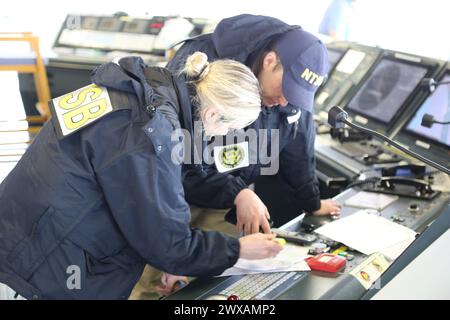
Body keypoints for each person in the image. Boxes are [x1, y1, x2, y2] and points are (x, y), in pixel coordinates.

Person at [0, 52, 283, 300]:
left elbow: (160, 184)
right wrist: (237, 250)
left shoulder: (145, 89)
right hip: (38, 270)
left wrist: (237, 192)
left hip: (23, 237)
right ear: (211, 114)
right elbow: (168, 243)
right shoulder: (151, 132)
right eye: (232, 129)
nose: (228, 137)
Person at [130, 14, 342, 300]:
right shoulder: (201, 67)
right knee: (153, 286)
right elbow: (174, 157)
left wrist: (311, 201)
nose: (285, 101)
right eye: (286, 90)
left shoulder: (288, 94)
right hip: (173, 197)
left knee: (212, 289)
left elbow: (298, 148)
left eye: (296, 96)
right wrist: (178, 253)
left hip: (225, 202)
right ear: (269, 62)